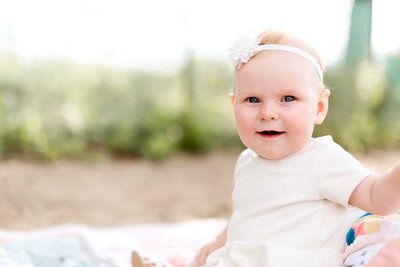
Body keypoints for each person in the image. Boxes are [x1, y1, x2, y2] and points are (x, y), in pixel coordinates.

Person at [132, 29, 400, 267]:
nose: (268, 113)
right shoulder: (247, 160)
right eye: (252, 99)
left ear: (319, 107)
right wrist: (216, 241)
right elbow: (249, 215)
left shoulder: (322, 158)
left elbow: (378, 198)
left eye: (288, 98)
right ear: (233, 105)